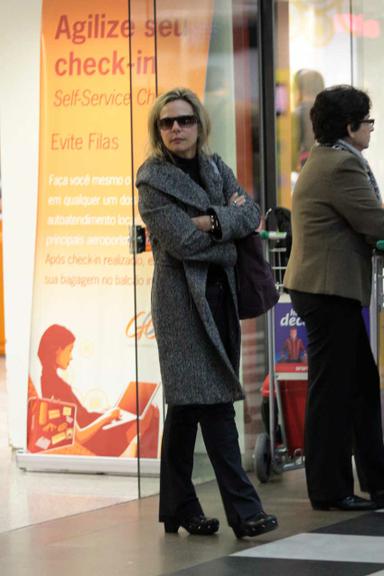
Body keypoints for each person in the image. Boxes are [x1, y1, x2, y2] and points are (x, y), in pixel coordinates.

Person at [136, 87, 278, 538]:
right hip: (182, 305)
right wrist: (227, 239)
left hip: (221, 300)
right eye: (167, 122)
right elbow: (182, 243)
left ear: (200, 123)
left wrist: (212, 222)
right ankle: (245, 512)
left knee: (186, 406)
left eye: (184, 120)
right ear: (158, 130)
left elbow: (250, 214)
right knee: (214, 403)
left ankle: (177, 507)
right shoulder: (152, 179)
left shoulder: (216, 167)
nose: (176, 128)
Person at [284, 85, 384, 511]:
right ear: (350, 126)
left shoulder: (328, 159)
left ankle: (376, 479)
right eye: (367, 121)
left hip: (328, 288)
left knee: (360, 386)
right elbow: (373, 221)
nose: (371, 129)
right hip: (327, 290)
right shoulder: (341, 164)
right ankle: (329, 489)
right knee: (332, 392)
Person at [37, 324, 158, 457]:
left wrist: (103, 413)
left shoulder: (48, 379)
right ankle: (143, 465)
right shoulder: (55, 386)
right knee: (148, 413)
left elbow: (78, 415)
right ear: (58, 350)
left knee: (142, 411)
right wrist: (107, 417)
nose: (71, 357)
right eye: (70, 350)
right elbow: (80, 436)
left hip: (94, 427)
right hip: (95, 440)